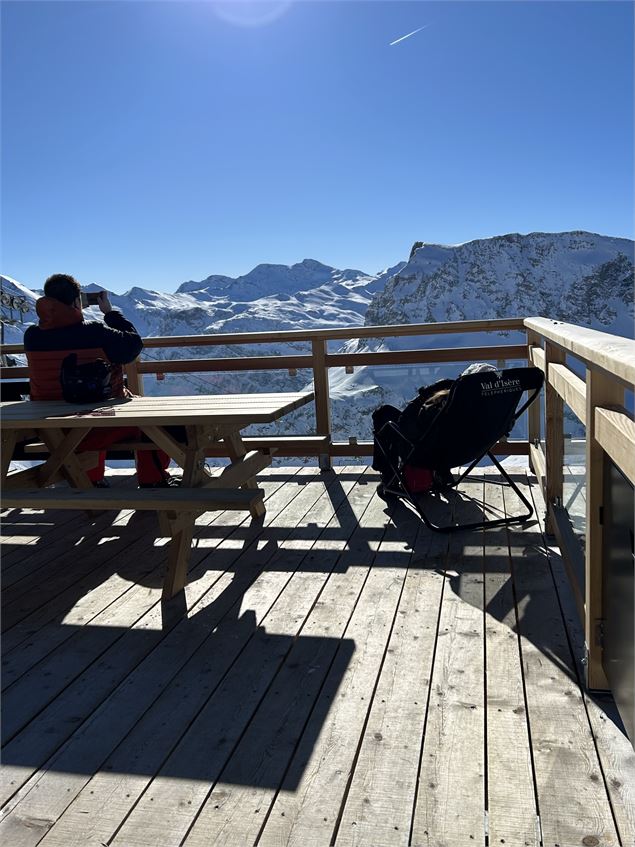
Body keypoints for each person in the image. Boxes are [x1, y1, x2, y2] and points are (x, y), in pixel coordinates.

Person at [24, 273, 177, 487]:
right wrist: (110, 313)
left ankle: (91, 480)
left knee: (87, 413)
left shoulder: (31, 336)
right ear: (77, 301)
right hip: (100, 425)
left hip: (51, 428)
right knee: (158, 423)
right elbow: (133, 346)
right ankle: (154, 481)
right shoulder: (95, 333)